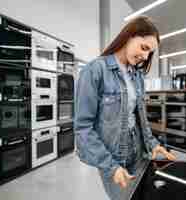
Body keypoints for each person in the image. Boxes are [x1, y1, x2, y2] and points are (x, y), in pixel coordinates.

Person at [74, 16, 176, 200]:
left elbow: (139, 118)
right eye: (144, 48)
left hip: (139, 151)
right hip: (112, 156)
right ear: (129, 36)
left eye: (149, 53)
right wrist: (110, 166)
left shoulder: (136, 76)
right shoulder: (95, 71)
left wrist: (153, 144)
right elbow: (83, 129)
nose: (145, 57)